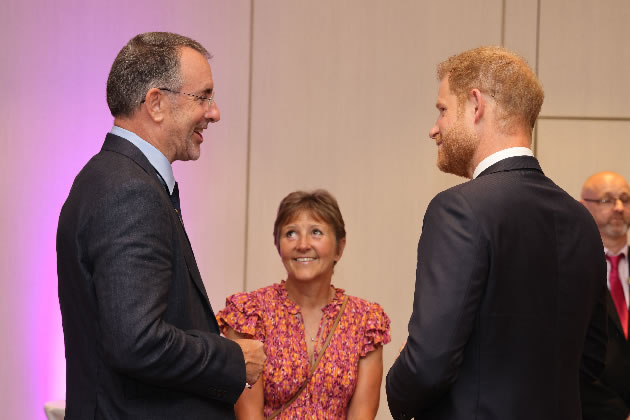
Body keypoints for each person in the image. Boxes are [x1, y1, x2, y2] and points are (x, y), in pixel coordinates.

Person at [385, 46, 608, 420]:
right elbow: (593, 359)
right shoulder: (581, 219)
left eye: (442, 110)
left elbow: (430, 362)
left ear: (476, 106)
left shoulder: (457, 209)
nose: (434, 128)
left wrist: (397, 386)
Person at [56, 32, 265, 420]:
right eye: (202, 96)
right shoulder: (129, 190)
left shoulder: (111, 177)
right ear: (155, 103)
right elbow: (137, 342)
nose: (214, 112)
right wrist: (232, 357)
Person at [217, 189, 391, 419]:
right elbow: (248, 415)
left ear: (340, 247)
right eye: (290, 234)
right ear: (279, 246)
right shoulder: (250, 313)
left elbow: (363, 413)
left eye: (316, 232)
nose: (302, 244)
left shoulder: (366, 321)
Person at [580, 171, 630, 420]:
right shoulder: (572, 271)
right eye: (607, 200)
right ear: (583, 207)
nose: (619, 207)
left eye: (625, 199)